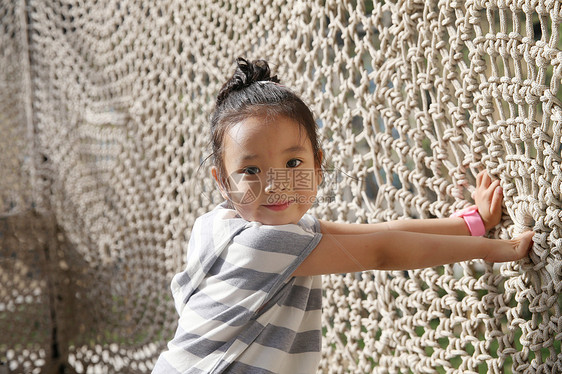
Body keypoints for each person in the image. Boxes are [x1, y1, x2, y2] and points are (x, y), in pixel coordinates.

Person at [152, 58, 534, 374]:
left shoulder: (228, 227)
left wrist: (470, 224)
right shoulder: (260, 243)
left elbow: (378, 232)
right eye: (251, 170)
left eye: (292, 162)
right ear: (222, 181)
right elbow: (381, 251)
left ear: (319, 167)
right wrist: (488, 249)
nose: (275, 184)